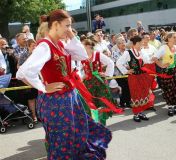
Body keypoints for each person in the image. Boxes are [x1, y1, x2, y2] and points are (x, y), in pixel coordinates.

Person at [16, 9, 112, 159]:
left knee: (79, 134)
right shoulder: (45, 46)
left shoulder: (60, 43)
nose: (69, 29)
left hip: (69, 97)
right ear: (55, 24)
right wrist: (43, 87)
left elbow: (81, 55)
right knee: (63, 142)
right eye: (67, 26)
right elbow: (22, 72)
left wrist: (72, 35)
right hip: (56, 102)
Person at [117, 35, 155, 122]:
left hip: (142, 76)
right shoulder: (128, 52)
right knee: (135, 94)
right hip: (134, 77)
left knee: (143, 94)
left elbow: (147, 61)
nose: (142, 44)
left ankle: (141, 112)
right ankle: (136, 114)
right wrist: (126, 71)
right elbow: (119, 63)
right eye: (141, 43)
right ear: (136, 43)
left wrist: (154, 58)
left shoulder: (141, 52)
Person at [81, 38, 115, 125]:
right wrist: (82, 76)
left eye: (83, 45)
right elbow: (77, 69)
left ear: (88, 46)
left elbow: (110, 62)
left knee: (102, 103)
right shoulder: (81, 56)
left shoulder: (97, 54)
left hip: (100, 83)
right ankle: (95, 123)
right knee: (91, 104)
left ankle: (102, 123)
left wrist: (107, 74)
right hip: (88, 84)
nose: (81, 47)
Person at [153, 32, 176, 116]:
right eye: (174, 37)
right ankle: (170, 107)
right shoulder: (163, 47)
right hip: (167, 71)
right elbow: (155, 58)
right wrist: (161, 65)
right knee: (168, 89)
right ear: (169, 38)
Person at [17, 39, 38, 122]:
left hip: (38, 79)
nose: (35, 47)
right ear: (28, 46)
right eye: (33, 46)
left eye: (35, 45)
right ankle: (33, 116)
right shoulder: (24, 54)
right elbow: (18, 66)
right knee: (31, 98)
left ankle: (39, 115)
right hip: (28, 79)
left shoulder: (38, 54)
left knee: (38, 98)